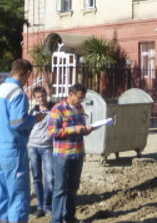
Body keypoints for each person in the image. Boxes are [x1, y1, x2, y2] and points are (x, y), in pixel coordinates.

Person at [0, 59, 41, 223]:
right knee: (19, 195)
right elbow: (18, 122)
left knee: (1, 192)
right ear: (27, 74)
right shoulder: (17, 93)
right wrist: (35, 118)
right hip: (13, 149)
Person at [48, 84, 92, 223]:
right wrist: (73, 129)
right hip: (63, 154)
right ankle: (56, 219)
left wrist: (86, 130)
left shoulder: (79, 108)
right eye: (79, 98)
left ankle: (69, 216)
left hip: (78, 153)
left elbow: (80, 129)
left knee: (73, 187)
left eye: (83, 98)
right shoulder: (58, 109)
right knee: (60, 188)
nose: (80, 101)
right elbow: (52, 132)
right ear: (71, 94)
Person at [28, 86, 55, 218]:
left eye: (42, 96)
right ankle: (40, 206)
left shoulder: (53, 109)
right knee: (37, 178)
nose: (41, 99)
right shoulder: (33, 111)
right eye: (38, 97)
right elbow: (27, 126)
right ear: (35, 98)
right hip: (33, 146)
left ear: (46, 94)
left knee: (50, 178)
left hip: (48, 147)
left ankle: (48, 205)